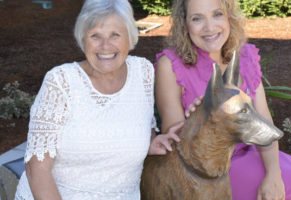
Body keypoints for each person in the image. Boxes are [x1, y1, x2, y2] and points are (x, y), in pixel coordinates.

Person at [14, 0, 176, 199]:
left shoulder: (143, 72)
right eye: (95, 36)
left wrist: (149, 144)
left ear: (130, 37)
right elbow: (36, 167)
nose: (105, 46)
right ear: (83, 39)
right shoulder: (61, 82)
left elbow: (140, 128)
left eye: (115, 35)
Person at [154, 0, 291, 199]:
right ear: (184, 23)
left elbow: (264, 122)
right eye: (197, 18)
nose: (210, 27)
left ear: (230, 16)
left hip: (256, 155)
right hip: (210, 171)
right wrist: (201, 116)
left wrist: (274, 174)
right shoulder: (170, 65)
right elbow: (174, 138)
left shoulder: (245, 56)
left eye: (217, 14)